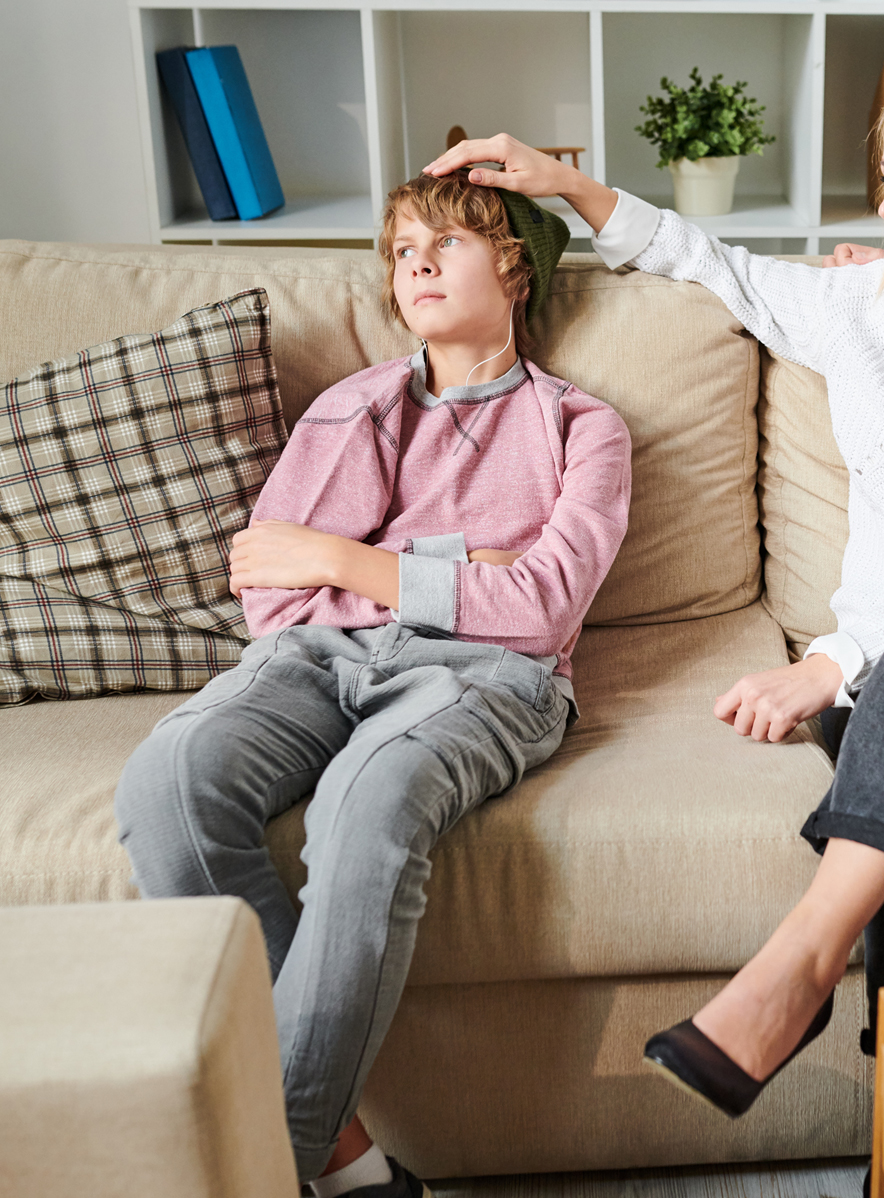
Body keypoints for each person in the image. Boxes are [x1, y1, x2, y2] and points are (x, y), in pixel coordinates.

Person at [427, 63, 884, 1116]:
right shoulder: (867, 305)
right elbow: (711, 262)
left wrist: (834, 660)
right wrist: (569, 188)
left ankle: (799, 958)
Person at [114, 172, 632, 1196]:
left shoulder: (584, 428)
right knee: (167, 784)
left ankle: (268, 1166)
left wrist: (351, 561)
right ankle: (346, 1156)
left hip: (490, 676)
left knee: (366, 803)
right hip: (315, 658)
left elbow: (538, 609)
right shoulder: (354, 406)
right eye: (403, 251)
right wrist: (462, 568)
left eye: (449, 242)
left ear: (517, 268)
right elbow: (267, 580)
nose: (421, 264)